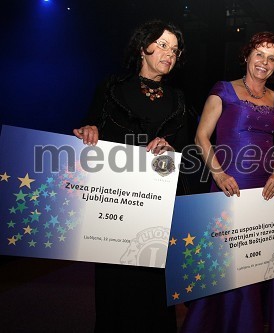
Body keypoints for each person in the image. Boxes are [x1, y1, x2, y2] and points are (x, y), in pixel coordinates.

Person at [73, 20, 191, 332]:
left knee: (154, 290)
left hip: (155, 211)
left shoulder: (178, 99)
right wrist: (89, 130)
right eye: (163, 45)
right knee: (116, 289)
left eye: (175, 49)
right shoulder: (112, 88)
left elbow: (186, 151)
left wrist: (171, 147)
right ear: (143, 48)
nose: (169, 53)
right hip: (115, 209)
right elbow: (89, 125)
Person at [181, 31, 274, 333]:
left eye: (271, 58)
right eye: (259, 54)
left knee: (256, 260)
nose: (264, 62)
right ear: (246, 55)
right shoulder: (224, 90)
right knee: (225, 261)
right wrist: (218, 173)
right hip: (230, 184)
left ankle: (249, 323)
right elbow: (201, 137)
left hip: (265, 191)